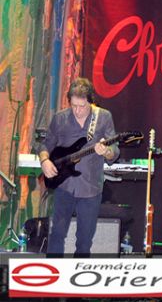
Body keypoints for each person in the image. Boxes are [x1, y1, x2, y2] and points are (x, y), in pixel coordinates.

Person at [39, 78, 119, 256]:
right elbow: (45, 145)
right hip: (64, 187)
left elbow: (115, 151)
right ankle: (54, 272)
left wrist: (106, 151)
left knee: (84, 242)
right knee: (56, 235)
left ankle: (78, 273)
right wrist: (45, 161)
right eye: (73, 105)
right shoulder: (60, 118)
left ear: (90, 101)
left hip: (91, 189)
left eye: (82, 106)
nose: (77, 110)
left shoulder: (103, 117)